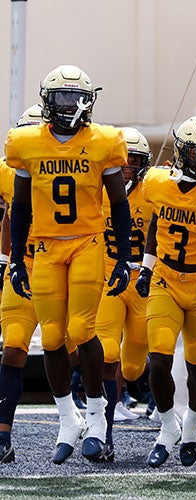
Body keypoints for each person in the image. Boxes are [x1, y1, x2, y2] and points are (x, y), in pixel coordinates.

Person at [4, 65, 132, 464]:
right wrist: (17, 260)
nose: (70, 106)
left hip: (86, 244)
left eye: (77, 98)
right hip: (43, 247)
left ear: (89, 101)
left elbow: (120, 204)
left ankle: (96, 417)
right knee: (55, 336)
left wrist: (124, 258)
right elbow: (21, 207)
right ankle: (67, 419)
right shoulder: (26, 143)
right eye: (62, 97)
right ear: (47, 100)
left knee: (81, 328)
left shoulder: (104, 141)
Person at [135, 115, 196, 468]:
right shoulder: (158, 182)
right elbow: (157, 220)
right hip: (166, 279)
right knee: (158, 361)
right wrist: (146, 265)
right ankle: (167, 428)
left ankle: (191, 427)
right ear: (183, 152)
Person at [0, 104, 76, 463]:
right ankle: (3, 435)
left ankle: (78, 415)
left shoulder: (69, 166)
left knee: (68, 344)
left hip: (59, 266)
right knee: (13, 347)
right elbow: (9, 216)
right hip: (24, 265)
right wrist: (5, 260)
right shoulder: (8, 172)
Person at [95, 127, 152, 460]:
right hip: (109, 279)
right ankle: (105, 432)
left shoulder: (155, 190)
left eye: (134, 161)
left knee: (132, 367)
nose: (127, 167)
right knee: (107, 353)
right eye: (123, 160)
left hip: (142, 283)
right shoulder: (96, 191)